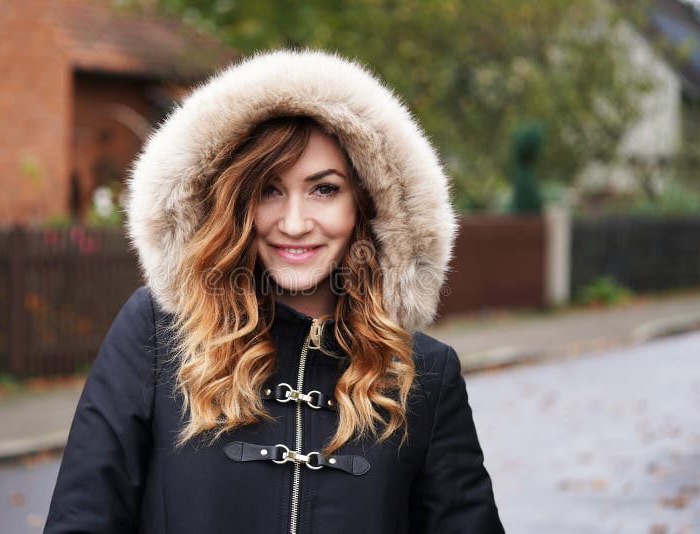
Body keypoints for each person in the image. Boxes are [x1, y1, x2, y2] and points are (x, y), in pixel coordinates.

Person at [44, 49, 504, 533]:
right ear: (235, 204)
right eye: (268, 189)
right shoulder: (157, 337)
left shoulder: (423, 375)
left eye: (324, 189)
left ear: (366, 205)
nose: (295, 223)